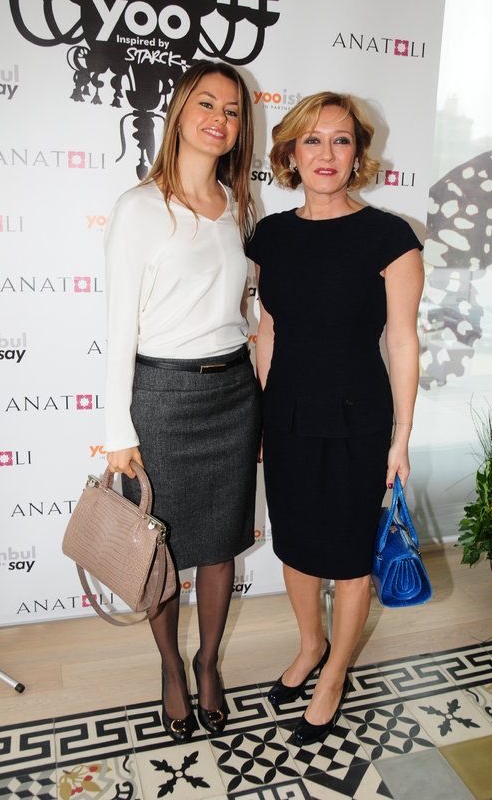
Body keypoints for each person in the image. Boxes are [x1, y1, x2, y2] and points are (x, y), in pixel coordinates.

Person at [247, 92, 424, 746]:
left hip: (359, 417)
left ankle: (335, 674)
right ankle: (310, 645)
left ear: (358, 154)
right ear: (291, 153)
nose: (326, 154)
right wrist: (263, 415)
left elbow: (402, 342)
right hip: (287, 415)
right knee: (295, 545)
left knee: (349, 556)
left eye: (341, 140)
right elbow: (268, 331)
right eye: (312, 140)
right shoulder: (270, 235)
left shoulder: (391, 237)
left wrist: (401, 437)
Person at [103, 60, 261, 743]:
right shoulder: (139, 208)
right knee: (159, 551)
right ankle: (171, 666)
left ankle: (208, 663)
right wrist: (118, 429)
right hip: (161, 397)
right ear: (178, 112)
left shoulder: (238, 206)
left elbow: (247, 311)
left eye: (232, 109)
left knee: (221, 545)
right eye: (206, 103)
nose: (219, 118)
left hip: (232, 392)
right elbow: (118, 328)